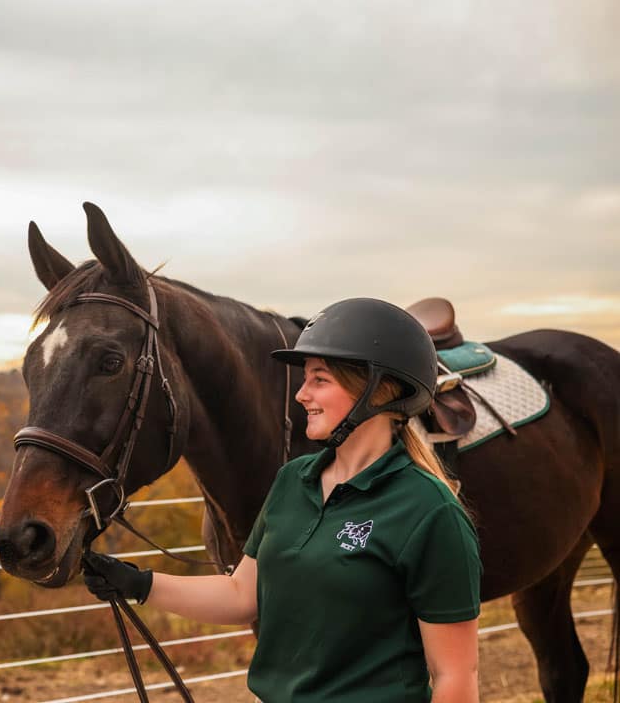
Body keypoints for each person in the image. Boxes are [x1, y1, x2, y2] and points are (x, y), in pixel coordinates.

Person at [83, 297, 481, 702]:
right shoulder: (293, 481)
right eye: (304, 379)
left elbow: (455, 675)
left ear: (377, 390)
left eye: (319, 380)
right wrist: (137, 582)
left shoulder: (429, 510)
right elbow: (243, 595)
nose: (301, 395)